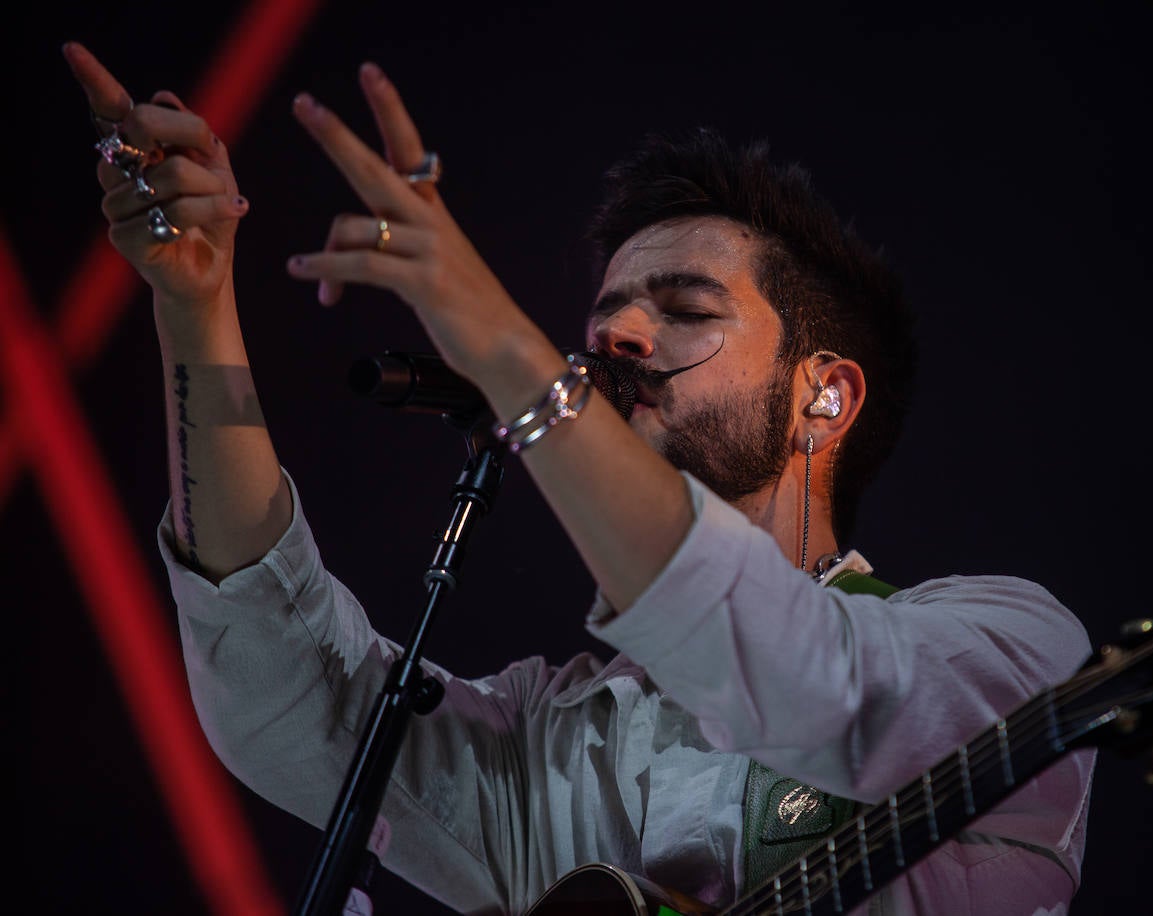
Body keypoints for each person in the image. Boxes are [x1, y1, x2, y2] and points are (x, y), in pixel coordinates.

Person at [65, 40, 1096, 916]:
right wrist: (190, 309)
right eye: (605, 316)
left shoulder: (1007, 646)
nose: (617, 335)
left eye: (687, 309)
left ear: (823, 395)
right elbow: (285, 685)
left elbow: (810, 676)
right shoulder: (550, 743)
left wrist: (507, 354)